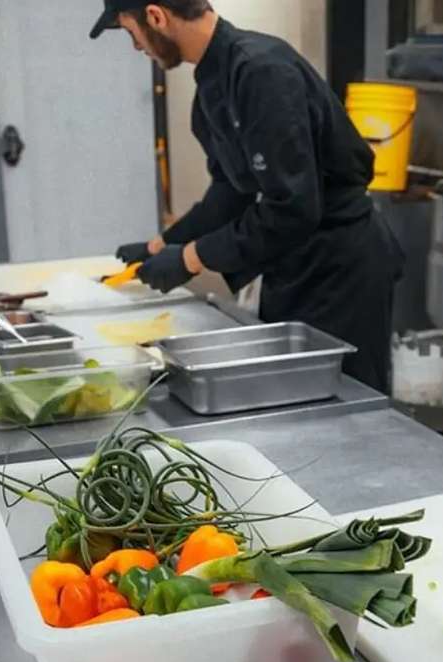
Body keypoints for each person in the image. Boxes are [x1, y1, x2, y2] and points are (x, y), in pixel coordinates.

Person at [90, 0, 404, 392]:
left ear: (156, 16)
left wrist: (191, 258)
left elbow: (292, 208)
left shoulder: (262, 71)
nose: (137, 47)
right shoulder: (213, 86)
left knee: (346, 405)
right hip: (294, 264)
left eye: (130, 33)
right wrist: (162, 245)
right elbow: (229, 193)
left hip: (340, 267)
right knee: (292, 398)